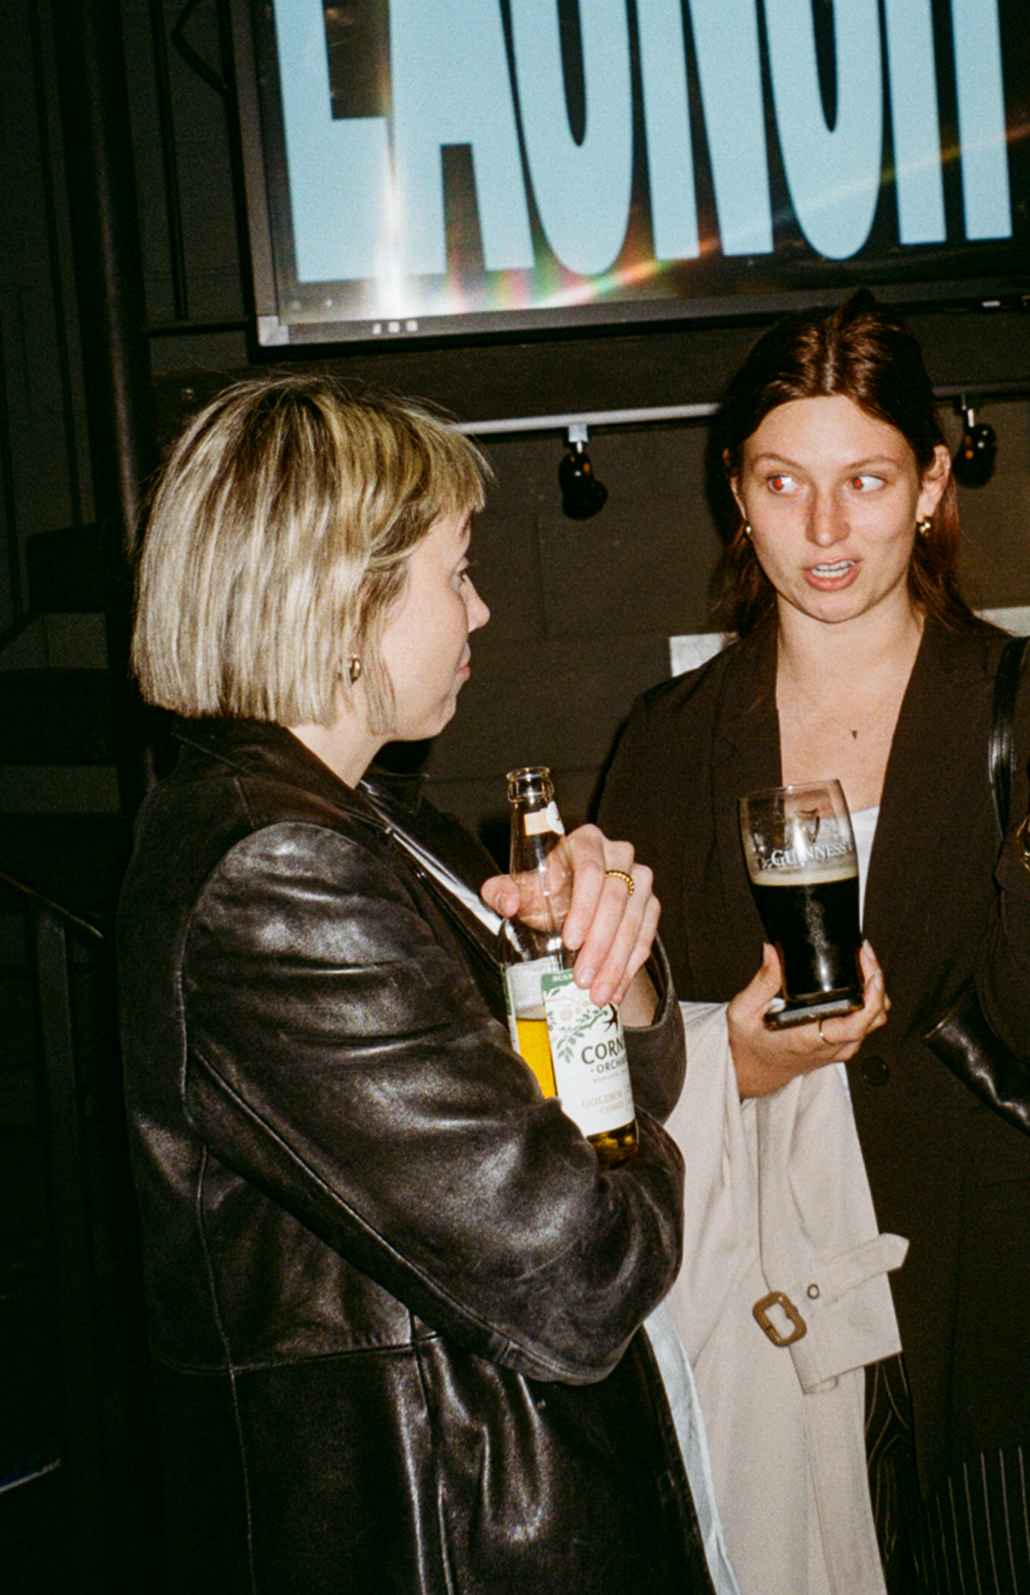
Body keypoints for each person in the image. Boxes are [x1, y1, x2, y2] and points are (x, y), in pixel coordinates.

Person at [598, 293, 1030, 1595]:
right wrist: (732, 1058)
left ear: (931, 484)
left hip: (1010, 1336)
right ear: (737, 490)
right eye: (785, 481)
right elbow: (604, 1050)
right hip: (770, 1329)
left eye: (867, 479)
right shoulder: (667, 738)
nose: (825, 530)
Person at [118, 375, 726, 1595]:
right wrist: (635, 1138)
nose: (485, 607)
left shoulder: (370, 822)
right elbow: (580, 1274)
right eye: (455, 572)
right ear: (344, 595)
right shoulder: (276, 869)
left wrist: (605, 964)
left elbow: (601, 1079)